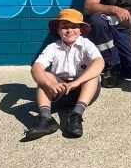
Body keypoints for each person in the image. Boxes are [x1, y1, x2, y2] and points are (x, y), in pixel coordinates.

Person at [23, 8, 104, 140]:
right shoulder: (53, 47)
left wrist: (77, 82)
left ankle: (76, 116)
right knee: (44, 76)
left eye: (74, 26)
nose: (69, 30)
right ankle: (46, 118)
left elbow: (99, 62)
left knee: (93, 76)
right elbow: (36, 68)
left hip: (84, 91)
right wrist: (50, 84)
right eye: (64, 27)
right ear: (58, 30)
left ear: (80, 30)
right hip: (60, 91)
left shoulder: (86, 44)